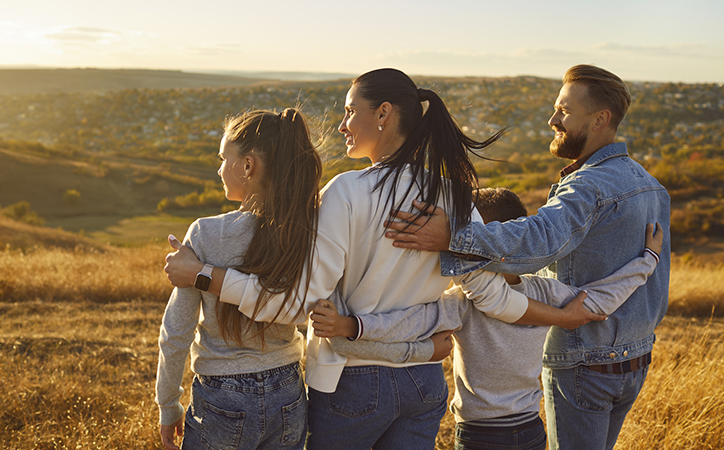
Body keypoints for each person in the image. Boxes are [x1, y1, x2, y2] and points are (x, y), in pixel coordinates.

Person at [163, 68, 604, 450]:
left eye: (350, 111)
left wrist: (207, 276)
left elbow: (297, 305)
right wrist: (563, 317)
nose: (341, 125)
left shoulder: (345, 193)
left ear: (384, 113)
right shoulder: (452, 195)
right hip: (424, 381)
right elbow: (491, 294)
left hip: (350, 382)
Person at [383, 65, 671, 450]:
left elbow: (538, 242)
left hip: (586, 362)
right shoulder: (650, 185)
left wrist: (455, 235)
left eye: (565, 112)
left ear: (601, 119)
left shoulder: (589, 186)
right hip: (634, 361)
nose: (553, 120)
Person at [312, 187, 664, 450]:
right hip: (530, 428)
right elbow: (602, 299)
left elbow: (410, 322)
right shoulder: (545, 293)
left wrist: (352, 325)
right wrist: (646, 261)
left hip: (480, 433)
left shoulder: (465, 302)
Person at [155, 108, 326, 450]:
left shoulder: (206, 233)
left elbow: (177, 331)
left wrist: (167, 404)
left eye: (223, 158)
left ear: (247, 166)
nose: (219, 169)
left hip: (223, 394)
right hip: (288, 390)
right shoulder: (306, 228)